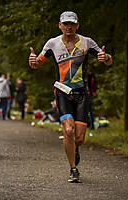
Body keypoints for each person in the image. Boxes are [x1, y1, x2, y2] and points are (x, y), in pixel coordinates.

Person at [29, 11, 112, 183]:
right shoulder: (52, 43)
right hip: (62, 92)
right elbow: (37, 63)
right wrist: (33, 61)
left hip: (81, 94)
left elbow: (107, 60)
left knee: (79, 138)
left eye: (72, 24)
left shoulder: (87, 42)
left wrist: (107, 58)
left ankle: (75, 148)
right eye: (65, 24)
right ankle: (73, 169)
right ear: (60, 25)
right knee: (68, 130)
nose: (69, 27)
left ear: (77, 25)